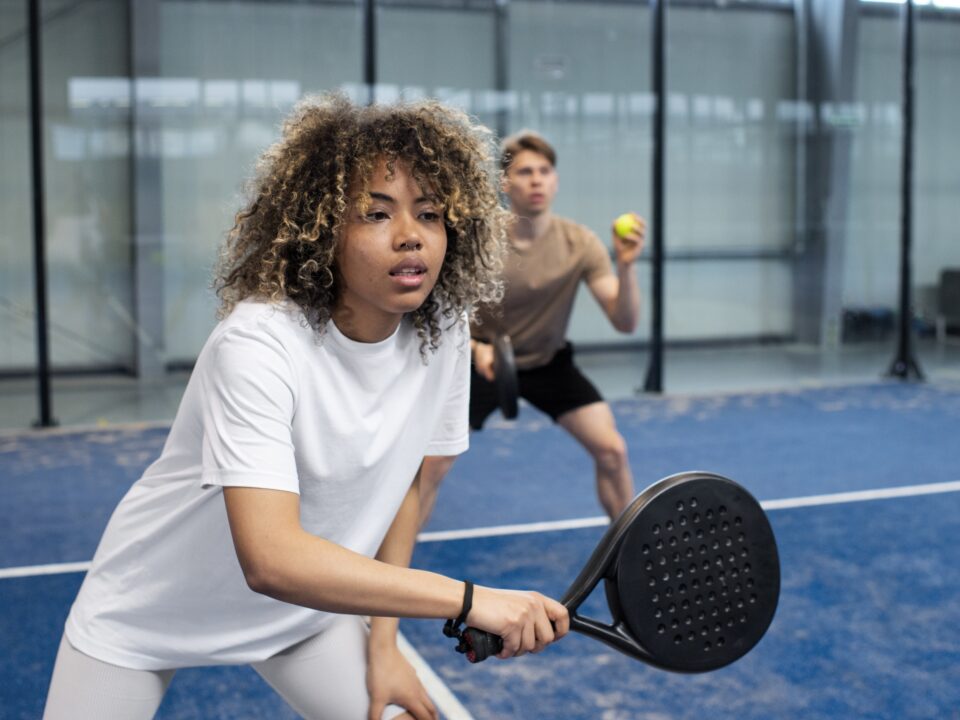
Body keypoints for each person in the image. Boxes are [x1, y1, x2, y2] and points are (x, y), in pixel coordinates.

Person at [42, 95, 569, 720]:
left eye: (429, 213)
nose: (410, 235)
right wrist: (467, 600)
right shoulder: (258, 344)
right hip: (147, 615)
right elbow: (270, 559)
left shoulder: (444, 327)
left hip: (304, 619)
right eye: (376, 214)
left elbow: (409, 483)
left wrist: (385, 641)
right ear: (322, 230)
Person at [420, 131, 645, 526]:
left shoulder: (580, 243)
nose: (536, 179)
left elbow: (625, 322)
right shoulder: (479, 241)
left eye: (544, 171)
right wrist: (474, 347)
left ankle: (627, 549)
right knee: (432, 463)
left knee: (612, 450)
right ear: (506, 184)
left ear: (555, 181)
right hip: (481, 361)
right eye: (525, 172)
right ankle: (393, 566)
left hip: (547, 362)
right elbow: (435, 308)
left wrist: (626, 266)